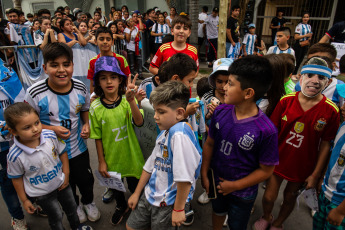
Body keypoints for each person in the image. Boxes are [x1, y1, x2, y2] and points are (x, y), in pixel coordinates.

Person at [254, 57, 340, 230]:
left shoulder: (331, 110)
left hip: (303, 166)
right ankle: (267, 216)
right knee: (269, 197)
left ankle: (278, 223)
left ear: (328, 82)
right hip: (277, 160)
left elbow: (325, 145)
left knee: (290, 196)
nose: (315, 81)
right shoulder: (285, 101)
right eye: (310, 75)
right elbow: (272, 132)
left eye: (321, 78)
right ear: (300, 77)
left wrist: (315, 174)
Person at [24, 43, 101, 224]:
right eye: (54, 65)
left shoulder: (81, 87)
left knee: (86, 180)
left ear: (73, 65)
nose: (61, 70)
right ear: (45, 68)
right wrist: (52, 129)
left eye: (66, 64)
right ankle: (74, 206)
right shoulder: (34, 93)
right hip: (52, 155)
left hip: (78, 148)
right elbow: (26, 125)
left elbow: (84, 108)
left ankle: (89, 202)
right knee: (65, 184)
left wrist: (86, 124)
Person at [201, 56, 279, 230]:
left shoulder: (266, 130)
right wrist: (204, 173)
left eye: (230, 83)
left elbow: (266, 170)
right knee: (217, 212)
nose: (223, 87)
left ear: (248, 93)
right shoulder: (220, 111)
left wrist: (234, 185)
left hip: (243, 193)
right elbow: (210, 144)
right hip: (217, 183)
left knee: (237, 224)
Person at [125, 80, 202, 230]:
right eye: (155, 111)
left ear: (180, 113)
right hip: (150, 195)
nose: (155, 116)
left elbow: (185, 178)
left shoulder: (179, 135)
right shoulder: (165, 133)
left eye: (161, 112)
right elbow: (150, 166)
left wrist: (179, 209)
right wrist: (136, 193)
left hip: (168, 203)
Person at [5, 102, 93, 230]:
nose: (35, 129)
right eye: (27, 127)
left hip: (62, 184)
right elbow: (16, 178)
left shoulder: (50, 135)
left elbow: (63, 152)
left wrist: (66, 174)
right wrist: (24, 200)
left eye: (37, 123)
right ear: (13, 131)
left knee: (72, 208)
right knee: (56, 216)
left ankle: (77, 227)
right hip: (42, 194)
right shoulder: (14, 156)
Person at [89, 56, 145, 225]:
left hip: (132, 156)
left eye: (113, 77)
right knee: (116, 188)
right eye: (103, 78)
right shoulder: (95, 107)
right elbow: (97, 137)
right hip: (111, 158)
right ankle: (121, 206)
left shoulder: (128, 100)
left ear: (120, 79)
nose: (109, 82)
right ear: (98, 82)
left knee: (136, 187)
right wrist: (101, 162)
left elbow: (139, 121)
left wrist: (131, 101)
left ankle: (139, 208)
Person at [313, 91, 345, 228]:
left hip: (339, 204)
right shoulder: (343, 126)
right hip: (326, 193)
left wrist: (340, 211)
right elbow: (334, 156)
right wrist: (321, 178)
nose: (342, 107)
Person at [87, 27, 130, 94]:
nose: (105, 42)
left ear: (112, 42)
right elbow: (92, 84)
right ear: (95, 41)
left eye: (108, 39)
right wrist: (92, 98)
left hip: (120, 96)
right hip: (101, 98)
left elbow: (127, 80)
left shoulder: (121, 59)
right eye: (101, 39)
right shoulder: (92, 61)